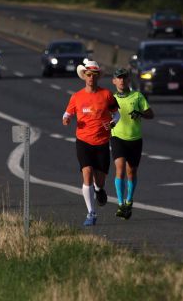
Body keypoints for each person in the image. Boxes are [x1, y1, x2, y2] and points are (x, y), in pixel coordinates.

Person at [62, 60, 118, 226]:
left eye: (94, 75)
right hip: (83, 141)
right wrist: (66, 118)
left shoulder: (107, 95)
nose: (91, 78)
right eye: (88, 75)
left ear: (98, 77)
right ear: (84, 76)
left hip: (101, 142)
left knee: (99, 180)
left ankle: (99, 190)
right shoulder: (76, 96)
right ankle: (91, 213)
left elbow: (117, 114)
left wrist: (113, 123)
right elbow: (66, 113)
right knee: (86, 173)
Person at [110, 67, 154, 219]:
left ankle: (129, 200)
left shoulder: (137, 96)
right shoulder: (111, 98)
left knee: (131, 172)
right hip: (117, 138)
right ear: (114, 81)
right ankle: (121, 204)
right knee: (120, 168)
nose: (121, 81)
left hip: (135, 139)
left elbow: (151, 114)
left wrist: (140, 113)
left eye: (124, 78)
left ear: (128, 80)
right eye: (118, 78)